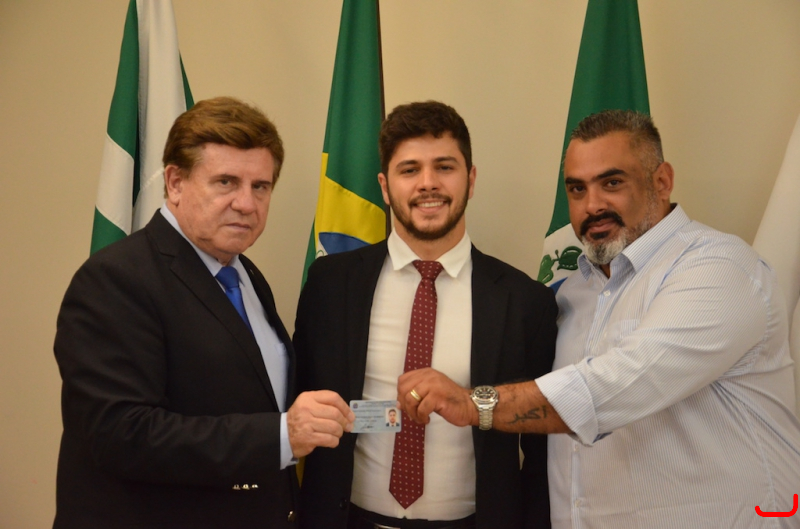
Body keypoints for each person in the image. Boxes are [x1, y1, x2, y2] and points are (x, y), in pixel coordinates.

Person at [399, 109, 800, 528]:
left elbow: (617, 385)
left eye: (612, 183)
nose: (592, 206)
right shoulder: (571, 295)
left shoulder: (719, 267)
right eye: (577, 189)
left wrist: (473, 404)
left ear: (662, 181)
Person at [53, 97, 354, 529]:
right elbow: (120, 435)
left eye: (260, 186)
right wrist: (281, 435)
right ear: (175, 182)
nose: (246, 203)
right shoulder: (115, 279)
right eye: (226, 182)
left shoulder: (245, 273)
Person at [294, 101, 558, 529]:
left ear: (471, 179)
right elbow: (300, 402)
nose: (428, 183)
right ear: (384, 186)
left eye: (445, 167)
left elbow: (543, 446)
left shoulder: (525, 301)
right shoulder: (330, 285)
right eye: (410, 169)